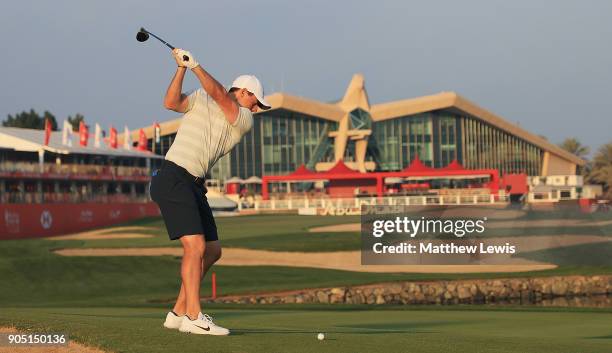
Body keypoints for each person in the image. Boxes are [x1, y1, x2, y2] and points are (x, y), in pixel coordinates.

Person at [149, 48, 270, 335]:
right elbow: (170, 102)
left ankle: (178, 311)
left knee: (212, 251)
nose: (257, 109)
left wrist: (197, 66)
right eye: (256, 101)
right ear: (243, 92)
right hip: (173, 177)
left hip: (193, 184)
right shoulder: (202, 97)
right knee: (195, 247)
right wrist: (181, 68)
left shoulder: (242, 118)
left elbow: (219, 95)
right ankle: (193, 316)